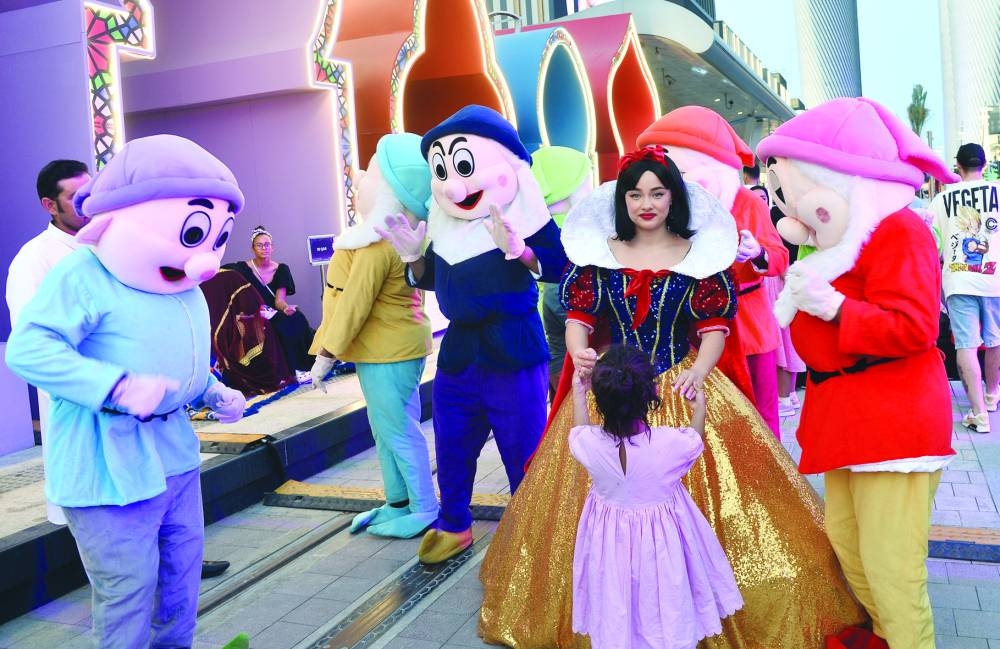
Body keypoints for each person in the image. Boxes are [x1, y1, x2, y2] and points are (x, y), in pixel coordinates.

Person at [478, 146, 866, 649]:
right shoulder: (598, 254)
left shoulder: (700, 255)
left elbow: (714, 329)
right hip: (613, 388)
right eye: (636, 194)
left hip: (681, 386)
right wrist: (580, 354)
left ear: (673, 198)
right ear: (622, 199)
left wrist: (700, 373)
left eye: (657, 193)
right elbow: (579, 320)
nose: (646, 203)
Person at [5, 135, 248, 647]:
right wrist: (115, 387)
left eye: (215, 236)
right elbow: (29, 350)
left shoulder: (184, 281)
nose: (205, 259)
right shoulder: (82, 272)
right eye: (194, 232)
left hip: (176, 456)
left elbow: (170, 354)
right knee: (128, 592)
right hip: (108, 465)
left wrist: (210, 389)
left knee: (180, 579)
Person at [759, 96, 957, 648]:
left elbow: (914, 327)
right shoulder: (838, 240)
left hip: (892, 422)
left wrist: (835, 309)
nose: (790, 214)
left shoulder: (898, 230)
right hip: (847, 418)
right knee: (850, 550)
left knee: (892, 570)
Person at [378, 105, 567, 564]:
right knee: (452, 443)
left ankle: (532, 530)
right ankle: (454, 523)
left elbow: (560, 265)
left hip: (513, 348)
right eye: (443, 172)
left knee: (523, 446)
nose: (454, 186)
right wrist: (414, 258)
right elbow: (431, 276)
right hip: (459, 353)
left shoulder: (526, 218)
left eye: (463, 167)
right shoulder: (445, 228)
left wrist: (521, 251)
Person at [569, 345, 742, 649]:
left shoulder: (590, 445)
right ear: (652, 393)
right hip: (662, 547)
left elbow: (580, 431)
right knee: (664, 604)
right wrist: (699, 407)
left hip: (610, 545)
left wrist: (578, 394)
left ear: (600, 395)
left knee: (618, 602)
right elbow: (694, 440)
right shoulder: (669, 445)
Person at [310, 133, 437, 539]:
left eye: (370, 173)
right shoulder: (379, 239)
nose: (360, 176)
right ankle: (398, 502)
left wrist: (326, 355)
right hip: (381, 351)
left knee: (397, 429)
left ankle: (423, 506)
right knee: (384, 428)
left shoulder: (378, 244)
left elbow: (354, 303)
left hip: (389, 352)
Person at [638, 107, 789, 436]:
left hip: (748, 326)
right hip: (693, 328)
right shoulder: (667, 209)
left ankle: (766, 470)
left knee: (760, 414)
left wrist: (757, 253)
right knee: (705, 415)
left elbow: (779, 257)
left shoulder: (747, 203)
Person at [6, 159, 90, 526]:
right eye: (75, 197)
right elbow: (30, 338)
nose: (87, 203)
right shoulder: (34, 258)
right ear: (49, 205)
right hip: (76, 394)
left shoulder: (111, 243)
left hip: (127, 387)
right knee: (86, 502)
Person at [930, 142, 1000, 433]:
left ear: (957, 166)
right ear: (984, 165)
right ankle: (992, 395)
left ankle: (979, 414)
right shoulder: (997, 191)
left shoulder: (941, 200)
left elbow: (932, 245)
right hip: (995, 279)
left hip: (958, 281)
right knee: (995, 338)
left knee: (966, 344)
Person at [226, 227, 314, 377]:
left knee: (297, 319)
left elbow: (279, 301)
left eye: (267, 244)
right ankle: (286, 370)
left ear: (272, 247)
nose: (264, 248)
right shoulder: (242, 268)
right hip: (253, 312)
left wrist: (285, 308)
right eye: (259, 245)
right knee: (275, 327)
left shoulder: (281, 269)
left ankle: (301, 367)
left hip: (273, 311)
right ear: (253, 248)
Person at [750, 184, 805, 416]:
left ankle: (786, 396)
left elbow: (783, 258)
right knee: (782, 343)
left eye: (763, 197)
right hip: (770, 286)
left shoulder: (779, 220)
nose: (759, 202)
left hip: (780, 286)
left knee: (784, 342)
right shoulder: (757, 222)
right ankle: (788, 395)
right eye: (755, 198)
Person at [199, 268, 296, 395]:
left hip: (258, 313)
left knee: (294, 322)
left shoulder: (280, 269)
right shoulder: (236, 272)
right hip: (224, 325)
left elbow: (271, 302)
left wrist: (282, 309)